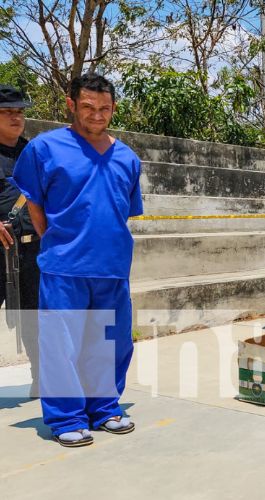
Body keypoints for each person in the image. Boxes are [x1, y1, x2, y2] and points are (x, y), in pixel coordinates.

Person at [12, 74, 143, 447]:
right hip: (64, 266)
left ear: (113, 108)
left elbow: (124, 211)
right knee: (61, 346)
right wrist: (56, 242)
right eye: (87, 107)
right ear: (71, 105)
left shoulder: (128, 158)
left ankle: (104, 408)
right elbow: (34, 204)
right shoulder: (44, 148)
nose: (97, 115)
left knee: (111, 343)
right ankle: (66, 417)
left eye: (104, 108)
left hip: (114, 267)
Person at [0, 85, 40, 397]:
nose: (17, 117)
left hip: (31, 247)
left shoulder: (32, 153)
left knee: (35, 316)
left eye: (20, 111)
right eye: (8, 111)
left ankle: (41, 377)